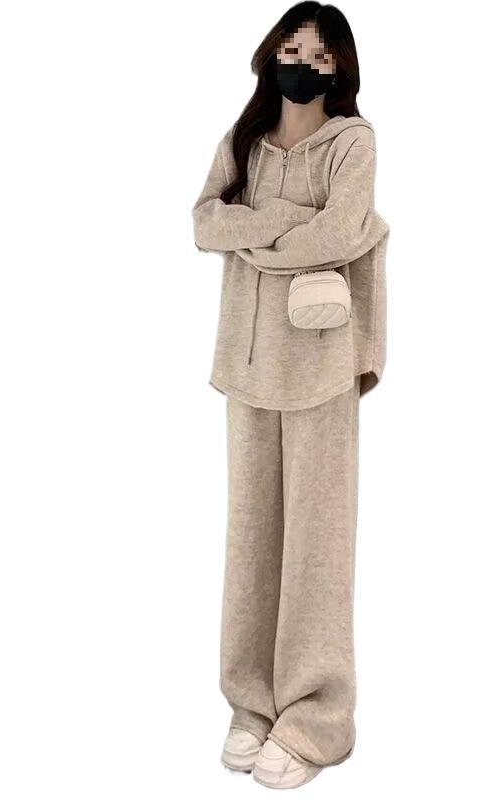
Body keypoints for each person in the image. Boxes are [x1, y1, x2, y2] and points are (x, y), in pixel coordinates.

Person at [191, 2, 389, 789]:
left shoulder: (353, 142)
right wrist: (279, 225)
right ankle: (251, 704)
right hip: (246, 366)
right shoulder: (242, 141)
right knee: (251, 541)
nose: (300, 63)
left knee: (317, 547)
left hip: (320, 367)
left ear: (339, 66)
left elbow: (341, 233)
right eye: (289, 47)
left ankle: (315, 720)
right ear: (268, 53)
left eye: (317, 53)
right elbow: (204, 222)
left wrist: (253, 233)